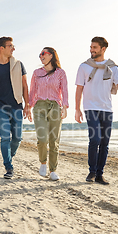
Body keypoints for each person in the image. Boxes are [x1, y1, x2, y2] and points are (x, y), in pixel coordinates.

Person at [75, 37, 118, 185]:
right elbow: (79, 88)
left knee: (104, 143)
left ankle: (100, 174)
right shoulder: (84, 66)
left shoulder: (112, 67)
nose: (91, 50)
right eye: (91, 47)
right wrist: (77, 109)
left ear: (103, 49)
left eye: (95, 47)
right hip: (90, 108)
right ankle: (92, 172)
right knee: (94, 140)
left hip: (106, 109)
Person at [0, 36, 30, 179]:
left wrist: (27, 104)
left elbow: (24, 85)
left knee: (17, 138)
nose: (13, 48)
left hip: (16, 105)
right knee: (5, 137)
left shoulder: (18, 64)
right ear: (2, 48)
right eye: (10, 45)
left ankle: (10, 155)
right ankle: (8, 167)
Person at [27, 47, 69, 181]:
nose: (41, 56)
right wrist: (28, 107)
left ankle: (53, 170)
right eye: (40, 54)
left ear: (51, 56)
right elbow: (32, 91)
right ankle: (43, 162)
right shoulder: (36, 73)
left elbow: (65, 91)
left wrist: (65, 107)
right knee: (42, 138)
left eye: (43, 54)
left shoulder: (60, 73)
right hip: (39, 107)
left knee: (54, 140)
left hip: (55, 107)